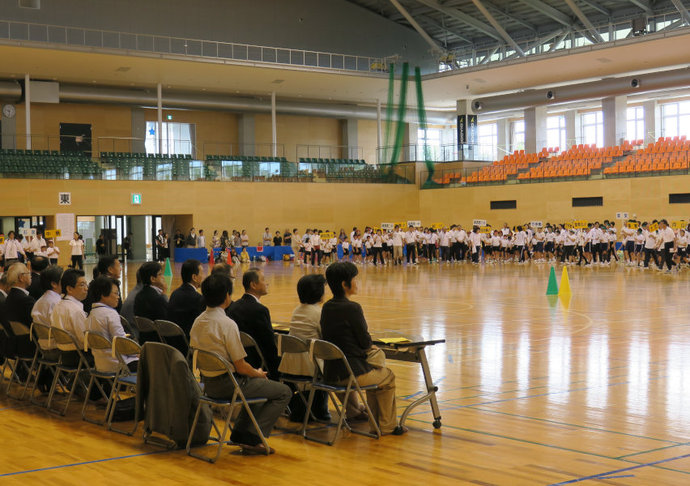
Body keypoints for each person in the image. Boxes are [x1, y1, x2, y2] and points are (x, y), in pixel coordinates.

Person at [190, 273, 291, 455]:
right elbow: (241, 367)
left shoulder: (197, 322)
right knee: (283, 392)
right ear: (227, 296)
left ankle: (240, 433)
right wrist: (258, 373)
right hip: (229, 385)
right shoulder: (227, 324)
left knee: (258, 387)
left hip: (208, 385)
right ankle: (253, 436)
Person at [320, 262, 404, 435]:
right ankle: (385, 426)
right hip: (350, 373)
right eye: (354, 279)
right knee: (387, 377)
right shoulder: (353, 308)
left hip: (330, 372)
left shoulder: (327, 307)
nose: (357, 283)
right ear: (345, 284)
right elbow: (365, 342)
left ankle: (378, 423)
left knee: (377, 376)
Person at [278, 274, 331, 422]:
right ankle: (322, 409)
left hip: (290, 364)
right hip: (310, 366)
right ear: (318, 292)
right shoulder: (319, 312)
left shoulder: (297, 310)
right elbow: (326, 338)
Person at [226, 268, 280, 380]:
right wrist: (277, 373)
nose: (267, 283)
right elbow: (269, 346)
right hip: (257, 365)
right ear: (253, 285)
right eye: (264, 280)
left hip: (239, 362)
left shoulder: (233, 307)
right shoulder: (260, 310)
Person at [85, 276, 138, 373]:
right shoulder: (110, 314)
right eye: (116, 293)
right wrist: (137, 353)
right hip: (119, 365)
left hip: (101, 365)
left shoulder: (91, 314)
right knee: (153, 362)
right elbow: (122, 343)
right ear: (103, 295)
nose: (118, 297)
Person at [50, 268, 90, 367]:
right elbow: (85, 340)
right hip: (79, 357)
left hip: (63, 355)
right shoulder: (75, 310)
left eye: (86, 284)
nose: (86, 288)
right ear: (69, 289)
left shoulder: (57, 306)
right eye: (82, 285)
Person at [168, 259, 206, 338]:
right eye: (202, 273)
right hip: (188, 343)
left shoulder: (174, 294)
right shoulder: (198, 299)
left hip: (173, 341)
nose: (203, 276)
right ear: (194, 277)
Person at [133, 262, 168, 341]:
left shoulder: (139, 295)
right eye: (160, 274)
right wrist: (164, 293)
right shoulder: (157, 299)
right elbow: (167, 324)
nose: (163, 277)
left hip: (144, 340)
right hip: (159, 342)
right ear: (153, 279)